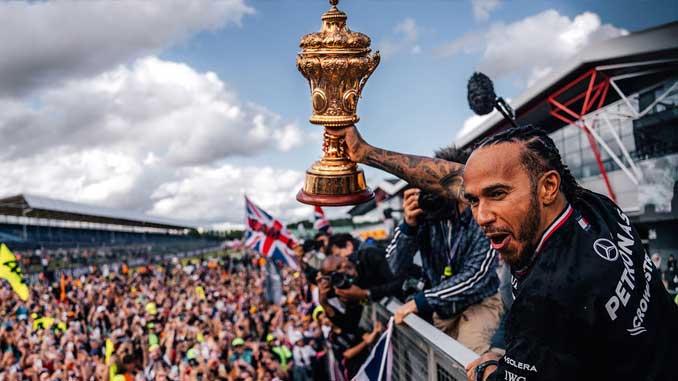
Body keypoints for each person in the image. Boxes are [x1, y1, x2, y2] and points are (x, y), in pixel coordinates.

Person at [334, 124, 678, 380]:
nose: (481, 216)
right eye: (473, 200)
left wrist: (488, 366)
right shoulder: (591, 205)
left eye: (497, 194)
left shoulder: (547, 295)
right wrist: (365, 153)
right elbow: (450, 180)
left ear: (548, 187)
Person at [386, 146, 502, 355]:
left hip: (479, 303)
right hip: (443, 309)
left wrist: (422, 301)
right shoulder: (427, 215)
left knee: (469, 357)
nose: (436, 193)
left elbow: (477, 276)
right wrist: (408, 227)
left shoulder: (482, 215)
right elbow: (394, 267)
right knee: (444, 365)